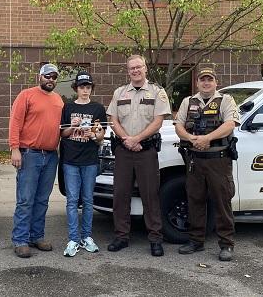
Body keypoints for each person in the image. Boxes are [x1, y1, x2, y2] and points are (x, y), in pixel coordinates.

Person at [106, 54, 171, 257]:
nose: (135, 70)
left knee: (150, 195)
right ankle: (121, 236)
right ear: (128, 71)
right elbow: (113, 119)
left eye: (138, 67)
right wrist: (127, 139)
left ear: (145, 69)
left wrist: (137, 139)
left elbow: (158, 121)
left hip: (146, 151)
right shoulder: (119, 92)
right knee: (120, 195)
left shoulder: (157, 92)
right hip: (124, 151)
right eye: (131, 68)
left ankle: (155, 238)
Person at [174, 67, 240, 261]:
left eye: (209, 79)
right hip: (195, 160)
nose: (206, 83)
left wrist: (207, 138)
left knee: (222, 202)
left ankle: (226, 245)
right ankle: (196, 241)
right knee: (195, 200)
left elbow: (230, 124)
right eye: (202, 79)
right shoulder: (188, 101)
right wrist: (191, 138)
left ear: (215, 82)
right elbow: (178, 125)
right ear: (197, 82)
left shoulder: (225, 100)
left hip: (218, 160)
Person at [9, 63, 64, 258]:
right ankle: (21, 239)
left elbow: (61, 128)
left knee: (42, 200)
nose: (51, 79)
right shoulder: (26, 95)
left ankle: (36, 236)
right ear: (39, 77)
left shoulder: (58, 100)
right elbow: (15, 121)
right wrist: (15, 149)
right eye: (47, 76)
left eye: (54, 77)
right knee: (26, 199)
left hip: (50, 156)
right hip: (29, 154)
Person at [60, 71, 107, 257]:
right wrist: (74, 126)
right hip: (70, 160)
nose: (85, 90)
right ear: (76, 89)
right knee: (72, 200)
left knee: (88, 200)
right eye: (82, 87)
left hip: (90, 160)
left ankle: (86, 236)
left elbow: (101, 135)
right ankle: (73, 238)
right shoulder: (68, 107)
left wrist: (93, 135)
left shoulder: (98, 108)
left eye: (88, 87)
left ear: (91, 89)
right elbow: (62, 134)